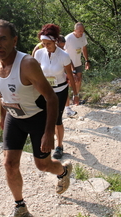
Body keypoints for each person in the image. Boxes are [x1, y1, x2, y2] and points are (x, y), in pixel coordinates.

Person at [0, 19, 72, 217]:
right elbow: (1, 94)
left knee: (42, 165)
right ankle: (20, 207)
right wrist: (2, 117)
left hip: (37, 118)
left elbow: (51, 98)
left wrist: (49, 132)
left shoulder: (27, 64)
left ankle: (62, 171)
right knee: (9, 164)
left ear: (14, 40)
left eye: (3, 39)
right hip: (14, 118)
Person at [34, 25, 78, 159]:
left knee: (57, 119)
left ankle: (59, 146)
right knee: (45, 118)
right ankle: (46, 141)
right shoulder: (39, 53)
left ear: (55, 42)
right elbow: (35, 72)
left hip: (60, 90)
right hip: (44, 90)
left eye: (48, 43)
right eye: (43, 43)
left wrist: (75, 94)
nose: (46, 46)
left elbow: (70, 75)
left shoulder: (63, 55)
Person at [64, 22, 90, 104]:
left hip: (78, 62)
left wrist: (87, 60)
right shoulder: (68, 38)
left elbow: (84, 48)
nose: (81, 33)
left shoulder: (83, 37)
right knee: (70, 83)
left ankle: (76, 97)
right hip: (68, 64)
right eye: (79, 31)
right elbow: (62, 51)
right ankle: (65, 100)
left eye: (83, 31)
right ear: (74, 30)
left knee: (78, 81)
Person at [56, 35, 77, 117]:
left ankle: (67, 109)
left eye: (63, 46)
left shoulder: (63, 53)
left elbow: (69, 60)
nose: (62, 47)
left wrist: (73, 71)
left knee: (65, 91)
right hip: (50, 78)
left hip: (62, 76)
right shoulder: (44, 51)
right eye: (60, 45)